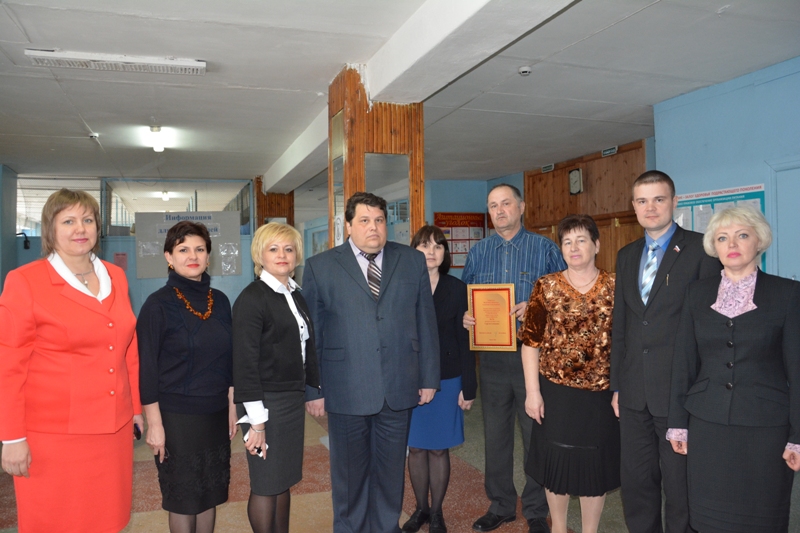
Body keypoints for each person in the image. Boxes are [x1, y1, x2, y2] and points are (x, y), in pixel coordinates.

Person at [0, 188, 142, 533]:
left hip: (113, 430)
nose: (80, 228)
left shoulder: (115, 275)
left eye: (88, 220)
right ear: (50, 229)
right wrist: (11, 437)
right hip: (53, 437)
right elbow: (9, 366)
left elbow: (128, 348)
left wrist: (136, 408)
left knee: (107, 519)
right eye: (68, 221)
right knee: (55, 521)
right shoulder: (25, 281)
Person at [302, 192, 439, 533]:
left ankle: (385, 527)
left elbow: (425, 321)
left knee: (390, 473)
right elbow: (312, 334)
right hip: (346, 387)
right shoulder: (321, 266)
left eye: (379, 220)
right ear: (348, 226)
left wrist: (429, 378)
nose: (373, 227)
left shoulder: (411, 261)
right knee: (349, 475)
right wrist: (314, 389)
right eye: (364, 220)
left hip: (399, 384)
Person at [667, 206, 800, 533]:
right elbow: (683, 363)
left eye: (742, 235)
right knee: (709, 519)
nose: (732, 244)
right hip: (708, 425)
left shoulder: (787, 294)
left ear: (759, 240)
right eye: (722, 238)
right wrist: (677, 423)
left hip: (765, 428)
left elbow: (797, 370)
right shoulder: (696, 294)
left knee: (761, 518)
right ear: (714, 246)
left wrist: (798, 436)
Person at [610, 170, 720, 533]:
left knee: (679, 485)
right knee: (637, 482)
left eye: (659, 199)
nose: (651, 207)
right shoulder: (627, 255)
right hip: (633, 392)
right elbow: (622, 325)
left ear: (674, 202)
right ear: (633, 207)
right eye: (642, 201)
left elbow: (710, 328)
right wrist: (616, 385)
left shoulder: (702, 250)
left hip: (679, 393)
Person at [462, 183, 565, 533]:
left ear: (521, 207)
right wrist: (466, 316)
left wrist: (536, 309)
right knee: (495, 435)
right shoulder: (478, 252)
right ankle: (501, 504)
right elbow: (467, 297)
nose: (500, 211)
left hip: (532, 359)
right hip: (491, 359)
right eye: (493, 205)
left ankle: (536, 509)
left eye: (506, 203)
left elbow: (563, 299)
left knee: (535, 434)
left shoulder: (545, 249)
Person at [518, 214, 619, 533]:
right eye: (567, 242)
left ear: (596, 245)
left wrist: (621, 390)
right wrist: (532, 392)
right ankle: (559, 528)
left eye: (581, 240)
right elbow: (530, 343)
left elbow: (628, 342)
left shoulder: (615, 286)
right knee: (557, 466)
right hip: (555, 394)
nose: (574, 248)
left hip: (600, 397)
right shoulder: (545, 286)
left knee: (594, 469)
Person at [137, 221, 236, 533]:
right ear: (169, 256)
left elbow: (230, 359)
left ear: (208, 256)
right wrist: (154, 425)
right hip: (177, 419)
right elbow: (147, 369)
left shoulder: (221, 301)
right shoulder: (157, 305)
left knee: (209, 495)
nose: (192, 256)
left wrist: (232, 406)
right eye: (183, 250)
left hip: (216, 414)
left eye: (199, 249)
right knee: (184, 500)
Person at [232, 222, 320, 533]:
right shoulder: (253, 298)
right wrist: (256, 423)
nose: (282, 255)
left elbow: (306, 348)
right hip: (263, 403)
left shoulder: (295, 295)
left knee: (283, 480)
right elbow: (244, 363)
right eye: (273, 249)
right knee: (266, 483)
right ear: (260, 255)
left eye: (288, 249)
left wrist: (313, 389)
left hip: (290, 401)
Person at [403, 225, 477, 533]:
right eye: (424, 246)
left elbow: (465, 340)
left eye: (437, 246)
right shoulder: (402, 286)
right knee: (416, 447)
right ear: (414, 251)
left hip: (448, 378)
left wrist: (469, 386)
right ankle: (420, 509)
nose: (431, 252)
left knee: (438, 448)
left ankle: (436, 513)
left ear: (445, 253)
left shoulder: (457, 289)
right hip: (410, 378)